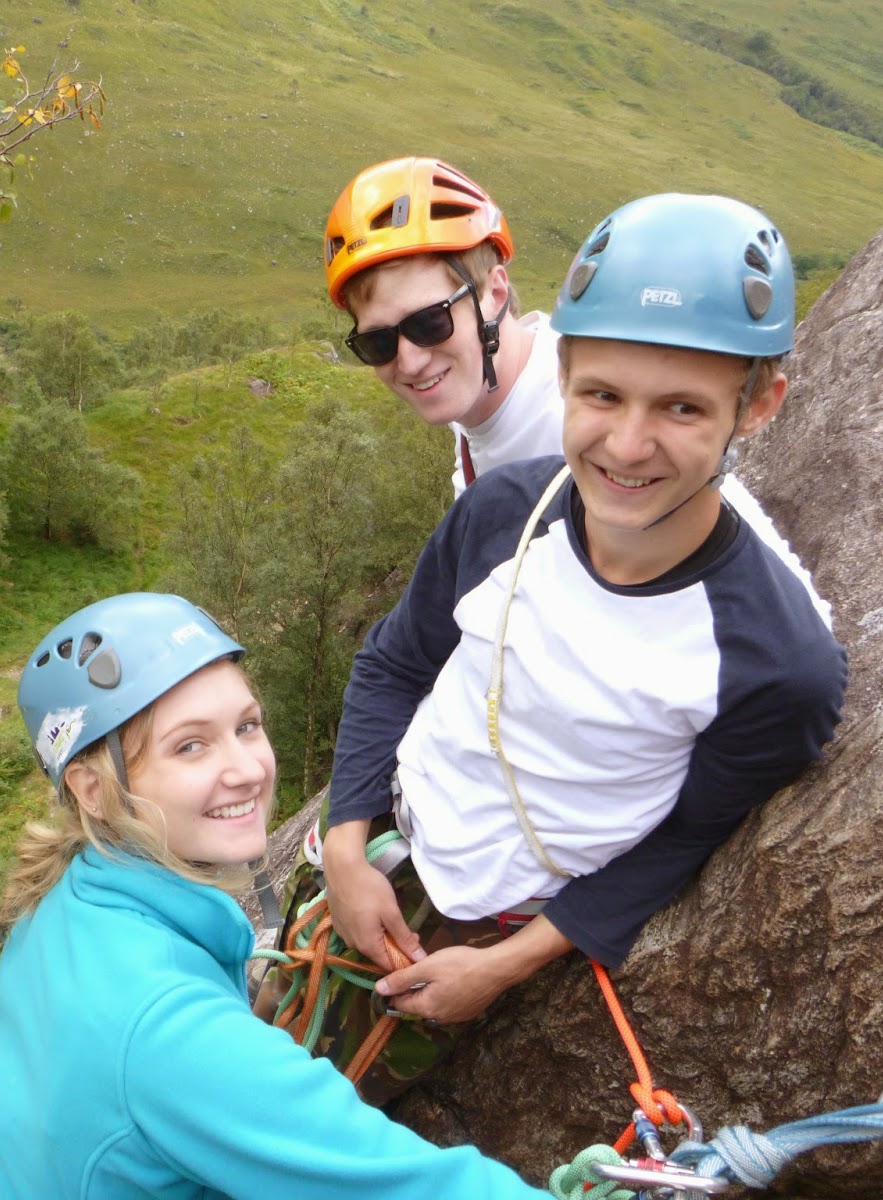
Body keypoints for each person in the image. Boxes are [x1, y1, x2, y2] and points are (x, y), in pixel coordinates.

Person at [292, 193, 848, 1103]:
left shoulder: (776, 665)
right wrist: (348, 847)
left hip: (483, 926)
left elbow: (684, 839)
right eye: (601, 396)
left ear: (757, 406)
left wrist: (502, 968)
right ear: (564, 373)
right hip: (380, 843)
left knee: (292, 1120)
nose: (627, 446)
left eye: (681, 408)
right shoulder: (503, 509)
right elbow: (396, 661)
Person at [0, 592, 547, 1199]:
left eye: (246, 726)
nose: (248, 769)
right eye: (191, 745)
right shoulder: (172, 1035)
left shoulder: (62, 896)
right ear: (92, 790)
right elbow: (404, 1185)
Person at [323, 156, 828, 616]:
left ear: (495, 292)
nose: (410, 360)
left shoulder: (584, 416)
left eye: (430, 322)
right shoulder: (486, 409)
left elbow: (738, 545)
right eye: (378, 342)